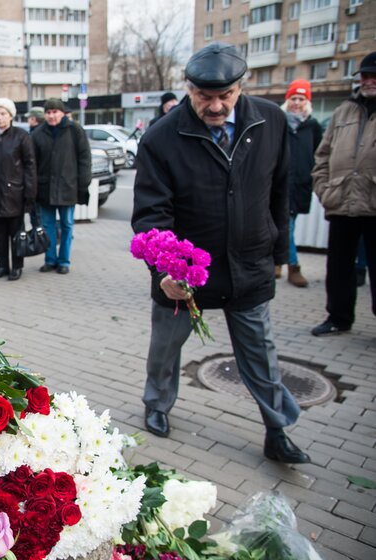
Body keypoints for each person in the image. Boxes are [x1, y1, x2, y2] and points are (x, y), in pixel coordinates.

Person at [132, 42, 309, 464]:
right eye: (203, 96)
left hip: (249, 264)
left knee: (260, 353)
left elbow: (279, 190)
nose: (215, 106)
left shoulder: (270, 121)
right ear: (188, 88)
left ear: (240, 88)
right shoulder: (162, 137)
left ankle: (276, 428)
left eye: (225, 96)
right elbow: (152, 213)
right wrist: (163, 273)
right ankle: (157, 405)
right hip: (185, 272)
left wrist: (279, 251)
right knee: (166, 347)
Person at [311, 51, 376, 336]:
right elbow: (322, 156)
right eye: (365, 76)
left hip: (373, 203)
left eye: (374, 76)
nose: (369, 81)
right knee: (338, 266)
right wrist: (325, 189)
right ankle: (338, 317)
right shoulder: (344, 111)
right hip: (341, 201)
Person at [0, 98, 36, 281]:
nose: (0, 117)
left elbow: (29, 166)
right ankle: (2, 265)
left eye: (3, 114)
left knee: (16, 234)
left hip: (14, 194)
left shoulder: (21, 136)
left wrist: (29, 193)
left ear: (11, 116)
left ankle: (17, 266)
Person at [31, 98, 91, 275]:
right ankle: (50, 260)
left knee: (66, 226)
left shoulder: (74, 130)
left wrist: (83, 183)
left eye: (55, 112)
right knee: (48, 226)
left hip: (68, 187)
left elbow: (84, 158)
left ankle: (64, 260)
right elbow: (32, 163)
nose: (51, 116)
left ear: (62, 113)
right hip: (45, 189)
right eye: (48, 112)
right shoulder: (38, 133)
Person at [279, 79, 322, 288]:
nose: (297, 102)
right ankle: (285, 264)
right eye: (293, 98)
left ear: (307, 102)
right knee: (280, 225)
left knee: (288, 227)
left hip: (300, 185)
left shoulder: (312, 127)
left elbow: (319, 155)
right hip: (280, 183)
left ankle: (287, 264)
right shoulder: (280, 123)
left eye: (301, 98)